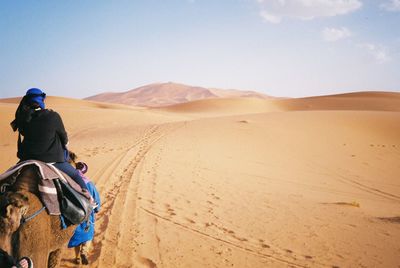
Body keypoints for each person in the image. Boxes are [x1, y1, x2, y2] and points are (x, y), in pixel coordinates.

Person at [10, 88, 88, 192]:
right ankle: (90, 200)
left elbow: (25, 133)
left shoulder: (23, 118)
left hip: (26, 160)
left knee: (8, 177)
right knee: (76, 175)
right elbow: (64, 138)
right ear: (41, 100)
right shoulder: (53, 116)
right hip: (52, 161)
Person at [67, 161, 100, 266]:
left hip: (74, 214)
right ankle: (84, 251)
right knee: (88, 235)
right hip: (88, 214)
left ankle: (77, 258)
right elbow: (96, 199)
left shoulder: (69, 181)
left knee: (77, 235)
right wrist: (97, 209)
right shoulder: (89, 183)